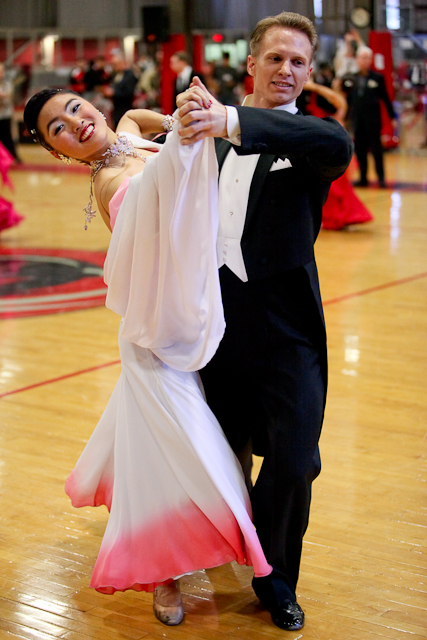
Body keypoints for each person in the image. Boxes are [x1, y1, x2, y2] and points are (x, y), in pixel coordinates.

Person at [23, 88, 272, 627]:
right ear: (57, 151)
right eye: (57, 128)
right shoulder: (112, 182)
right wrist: (187, 128)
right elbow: (167, 191)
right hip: (153, 334)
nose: (75, 122)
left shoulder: (128, 138)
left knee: (152, 443)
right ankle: (163, 575)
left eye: (74, 107)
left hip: (185, 314)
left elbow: (134, 118)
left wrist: (167, 121)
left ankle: (181, 550)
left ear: (93, 105)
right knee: (177, 450)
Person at [176, 11, 353, 631]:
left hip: (288, 331)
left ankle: (275, 579)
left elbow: (336, 147)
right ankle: (225, 538)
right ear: (251, 64)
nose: (286, 70)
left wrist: (231, 118)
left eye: (298, 61)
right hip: (214, 327)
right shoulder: (205, 137)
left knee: (294, 459)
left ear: (309, 72)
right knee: (220, 452)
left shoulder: (313, 139)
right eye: (275, 58)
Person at [303, 77, 373, 230]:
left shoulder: (338, 101)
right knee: (332, 186)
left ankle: (339, 216)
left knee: (335, 185)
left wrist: (314, 87)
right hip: (325, 148)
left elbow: (333, 99)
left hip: (331, 149)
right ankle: (332, 216)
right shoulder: (327, 101)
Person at [342, 46, 397, 187]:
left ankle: (381, 178)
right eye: (362, 58)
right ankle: (363, 178)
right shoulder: (351, 78)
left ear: (370, 60)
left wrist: (392, 117)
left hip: (373, 121)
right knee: (360, 150)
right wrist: (345, 118)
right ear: (357, 59)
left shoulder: (377, 78)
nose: (364, 61)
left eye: (367, 58)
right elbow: (348, 100)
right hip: (358, 120)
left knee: (377, 150)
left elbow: (385, 98)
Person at [102, 53, 137, 129]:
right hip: (116, 107)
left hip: (125, 107)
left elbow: (129, 92)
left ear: (122, 63)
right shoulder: (115, 75)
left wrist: (114, 93)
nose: (114, 67)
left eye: (116, 64)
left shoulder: (129, 75)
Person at [0, 63, 21, 163]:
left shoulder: (7, 84)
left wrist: (3, 97)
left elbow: (8, 97)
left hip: (5, 114)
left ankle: (12, 157)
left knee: (7, 136)